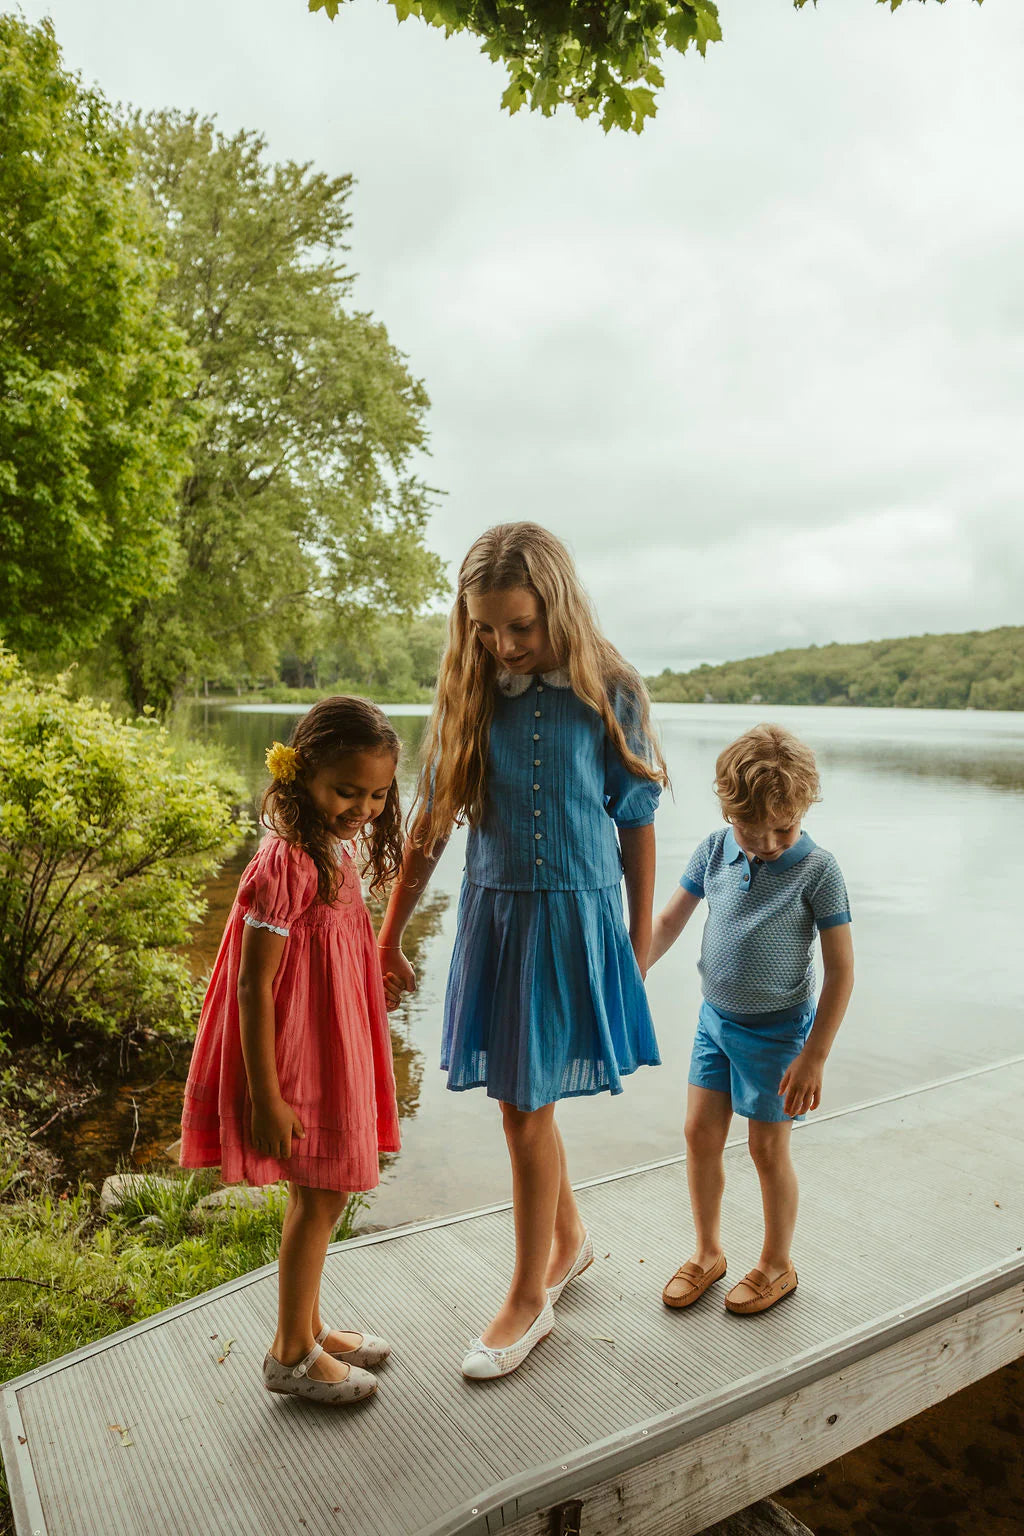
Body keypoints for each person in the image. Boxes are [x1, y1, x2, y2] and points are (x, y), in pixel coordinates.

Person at [378, 521, 668, 1379]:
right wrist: (385, 933)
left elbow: (638, 823)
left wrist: (640, 942)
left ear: (558, 606)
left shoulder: (609, 688)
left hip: (576, 920)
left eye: (520, 626)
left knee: (527, 1102)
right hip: (499, 918)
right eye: (486, 627)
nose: (503, 644)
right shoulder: (471, 693)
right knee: (520, 1102)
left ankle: (527, 1298)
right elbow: (428, 826)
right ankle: (568, 1243)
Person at [180, 697, 403, 1404]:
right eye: (346, 791)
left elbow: (327, 945)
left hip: (329, 1036)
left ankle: (307, 1325)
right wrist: (268, 1095)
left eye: (377, 793)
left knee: (318, 1191)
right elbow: (252, 984)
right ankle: (289, 1354)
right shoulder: (286, 862)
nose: (362, 806)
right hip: (297, 1053)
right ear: (302, 774)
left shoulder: (326, 846)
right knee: (324, 1191)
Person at [648, 723, 854, 1315]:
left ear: (803, 808)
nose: (767, 843)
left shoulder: (819, 870)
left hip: (779, 1033)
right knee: (699, 1134)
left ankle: (775, 1264)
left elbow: (841, 971)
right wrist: (631, 972)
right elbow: (667, 923)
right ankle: (709, 1252)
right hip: (714, 1020)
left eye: (784, 829)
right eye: (751, 829)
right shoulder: (715, 849)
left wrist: (813, 1055)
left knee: (766, 1149)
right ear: (726, 810)